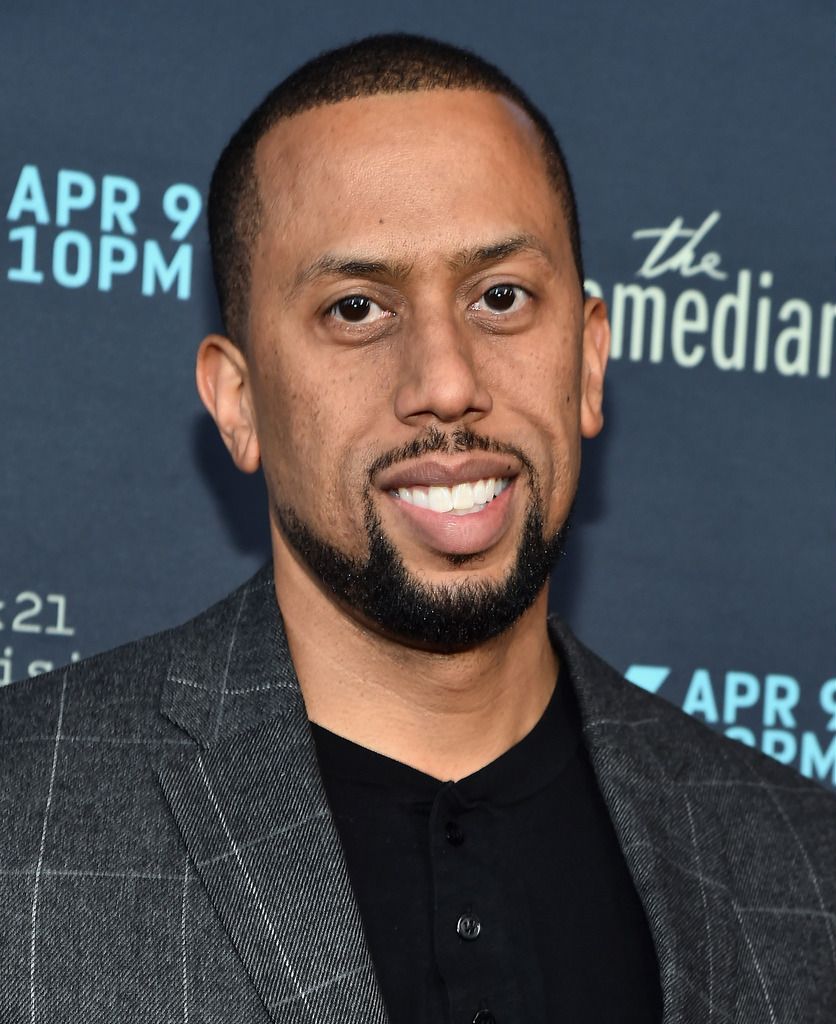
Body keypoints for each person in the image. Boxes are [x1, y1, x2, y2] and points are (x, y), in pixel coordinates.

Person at [1, 33, 834, 1024]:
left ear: (587, 360)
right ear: (238, 402)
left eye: (499, 297)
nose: (444, 381)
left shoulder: (802, 863)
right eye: (356, 308)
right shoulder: (24, 818)